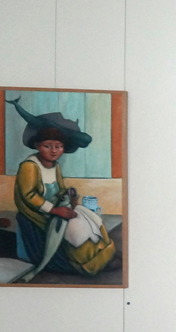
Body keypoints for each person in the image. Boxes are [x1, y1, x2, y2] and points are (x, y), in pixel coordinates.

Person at [8, 99, 117, 280]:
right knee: (76, 228)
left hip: (56, 206)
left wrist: (68, 195)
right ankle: (84, 263)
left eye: (58, 146)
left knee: (91, 217)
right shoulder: (30, 166)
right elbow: (29, 196)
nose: (53, 151)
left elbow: (60, 189)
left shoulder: (55, 166)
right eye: (47, 146)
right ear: (37, 145)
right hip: (38, 212)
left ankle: (102, 255)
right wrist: (55, 210)